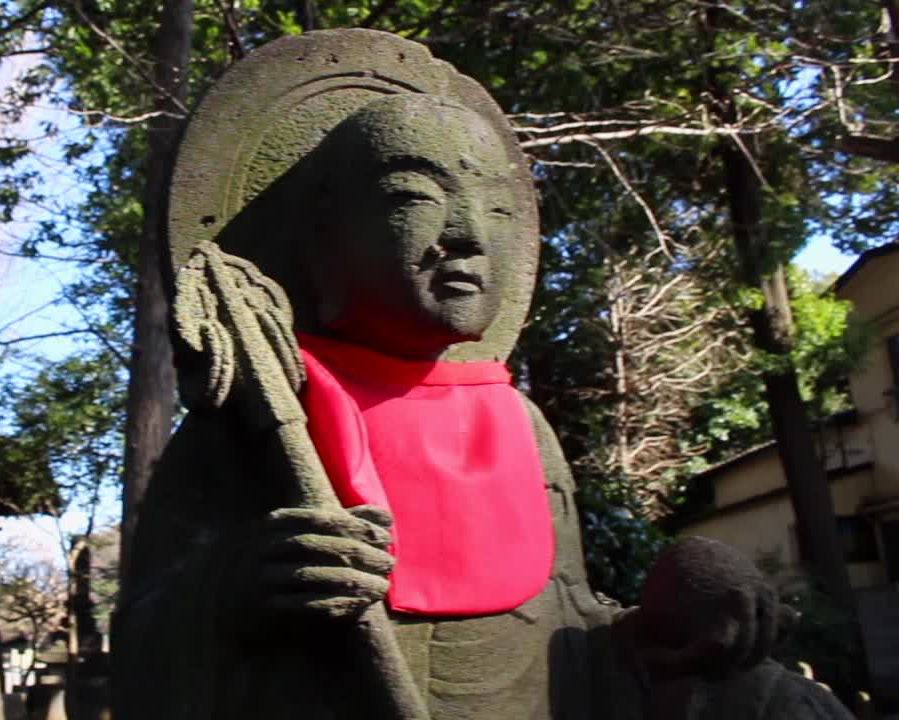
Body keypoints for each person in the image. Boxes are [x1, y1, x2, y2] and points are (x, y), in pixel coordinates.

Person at [115, 82, 846, 720]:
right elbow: (146, 647)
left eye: (496, 206)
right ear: (321, 236)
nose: (467, 235)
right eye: (414, 197)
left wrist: (680, 598)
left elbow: (575, 635)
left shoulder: (519, 426)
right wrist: (236, 589)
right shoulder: (258, 417)